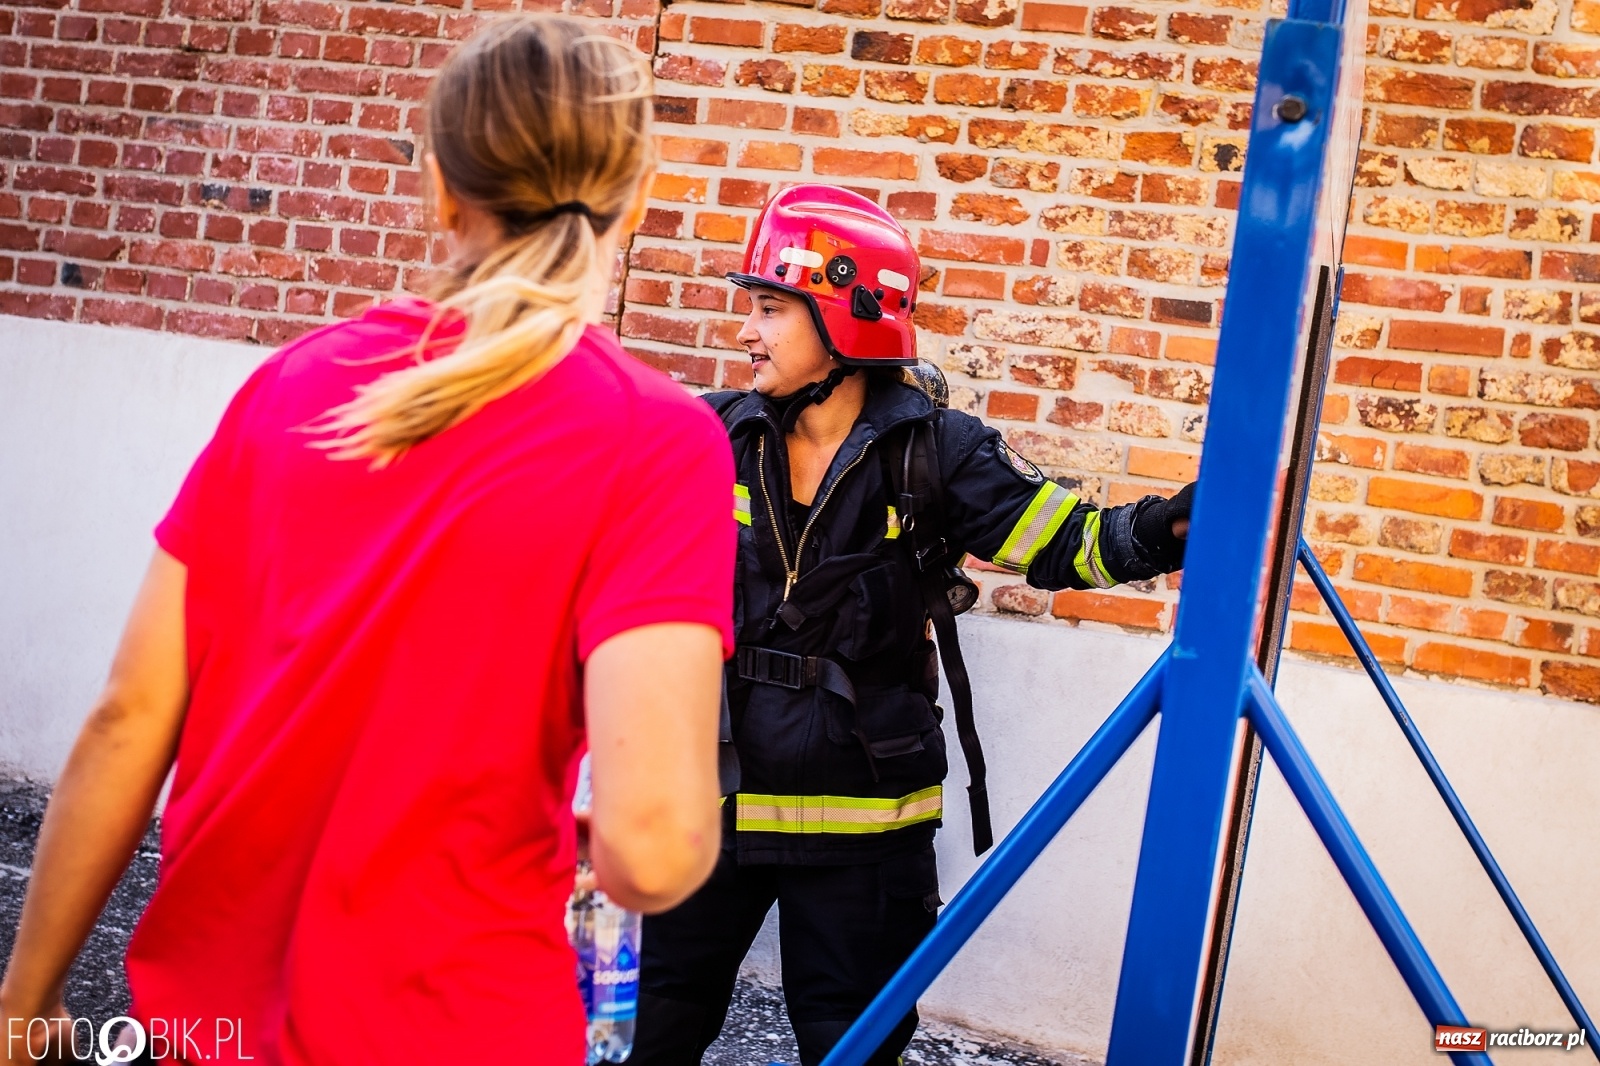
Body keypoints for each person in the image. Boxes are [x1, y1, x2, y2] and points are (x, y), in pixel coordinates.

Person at [0, 16, 732, 1066]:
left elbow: (128, 720)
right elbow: (653, 850)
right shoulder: (658, 443)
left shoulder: (287, 387)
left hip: (207, 1030)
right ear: (637, 197)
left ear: (440, 187)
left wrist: (23, 1001)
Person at [633, 185, 1195, 1066]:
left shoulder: (940, 451)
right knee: (654, 1025)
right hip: (717, 801)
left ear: (846, 319)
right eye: (752, 307)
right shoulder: (718, 435)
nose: (747, 330)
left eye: (771, 308)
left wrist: (1170, 527)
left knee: (848, 1042)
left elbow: (1068, 543)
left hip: (862, 818)